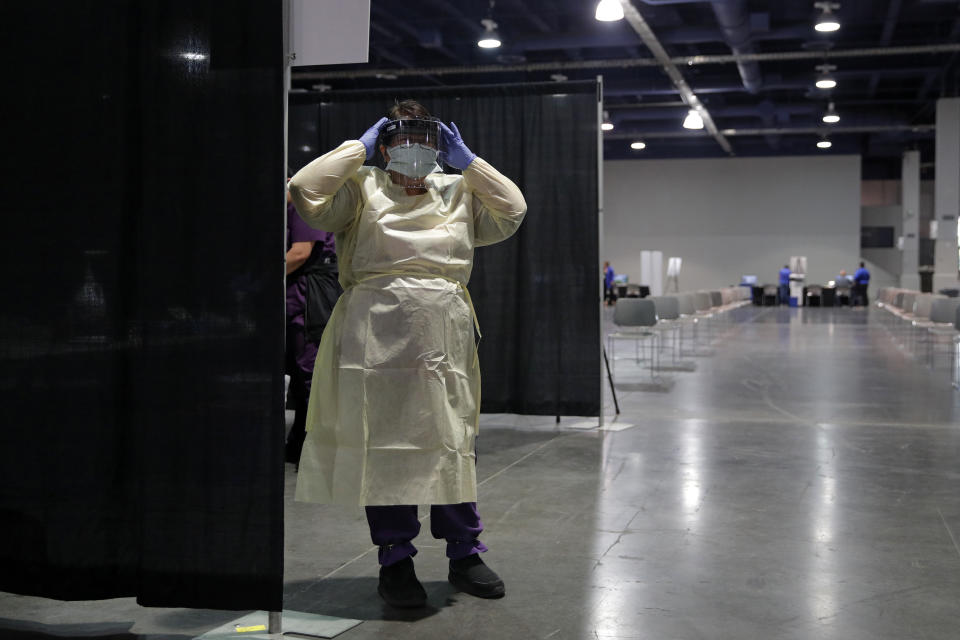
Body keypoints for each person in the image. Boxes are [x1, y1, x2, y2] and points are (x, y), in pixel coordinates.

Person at [288, 99, 527, 608]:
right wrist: (358, 149)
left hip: (442, 332)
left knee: (451, 439)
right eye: (401, 139)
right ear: (387, 145)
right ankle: (395, 560)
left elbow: (513, 209)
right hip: (375, 334)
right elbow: (303, 189)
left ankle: (465, 552)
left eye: (425, 139)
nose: (413, 149)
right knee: (384, 442)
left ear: (439, 147)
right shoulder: (360, 189)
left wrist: (470, 163)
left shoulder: (459, 191)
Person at [284, 183, 341, 466]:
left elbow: (299, 253)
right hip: (298, 301)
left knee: (310, 376)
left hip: (309, 302)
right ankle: (299, 446)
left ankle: (318, 451)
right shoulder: (293, 209)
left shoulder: (304, 208)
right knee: (299, 377)